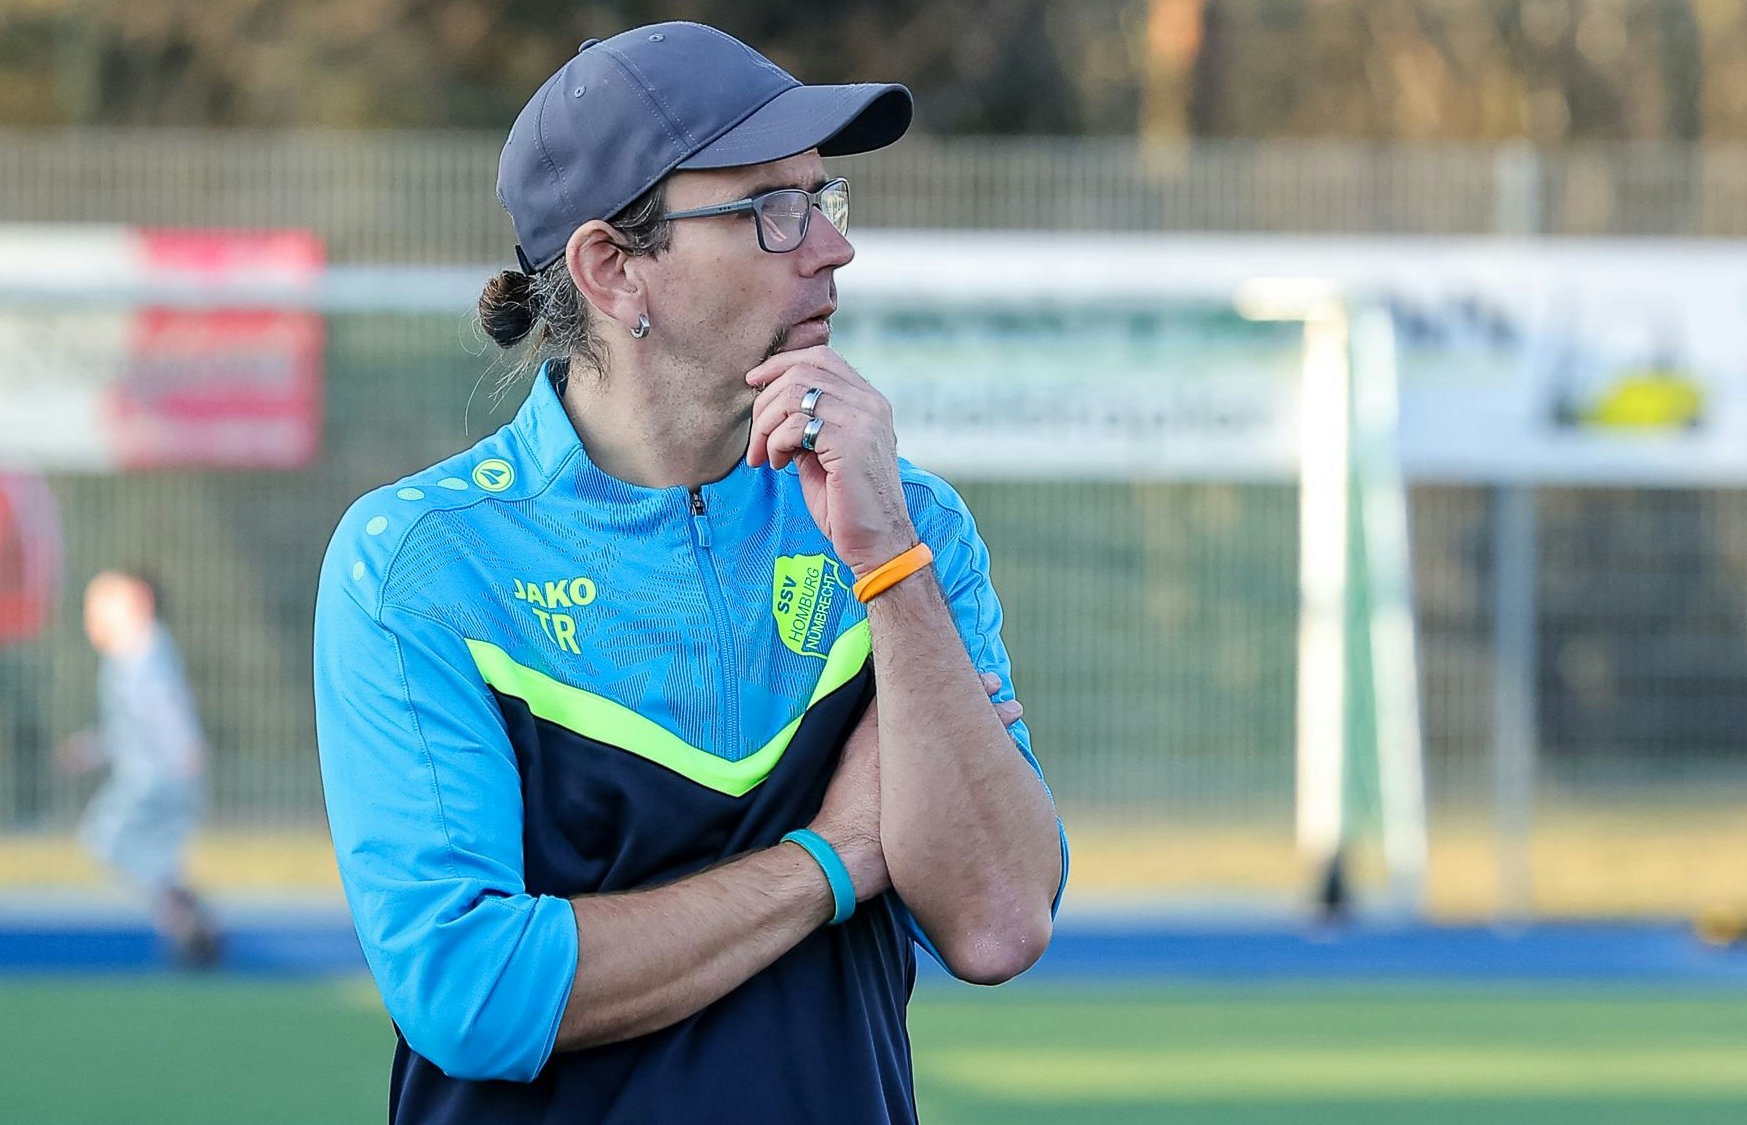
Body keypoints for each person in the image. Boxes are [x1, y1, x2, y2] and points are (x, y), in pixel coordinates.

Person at [314, 22, 1067, 1123]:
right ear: (613, 271)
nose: (828, 247)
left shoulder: (912, 525)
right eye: (770, 209)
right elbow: (470, 989)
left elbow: (999, 920)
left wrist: (887, 563)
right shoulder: (422, 564)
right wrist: (835, 856)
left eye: (823, 198)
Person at [63, 570, 220, 967]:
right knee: (155, 855)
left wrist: (185, 747)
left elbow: (164, 704)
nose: (91, 616)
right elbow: (133, 724)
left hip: (156, 775)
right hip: (163, 772)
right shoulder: (132, 655)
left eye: (100, 604)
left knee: (105, 838)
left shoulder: (141, 652)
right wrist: (93, 748)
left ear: (138, 604)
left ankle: (181, 913)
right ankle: (190, 927)